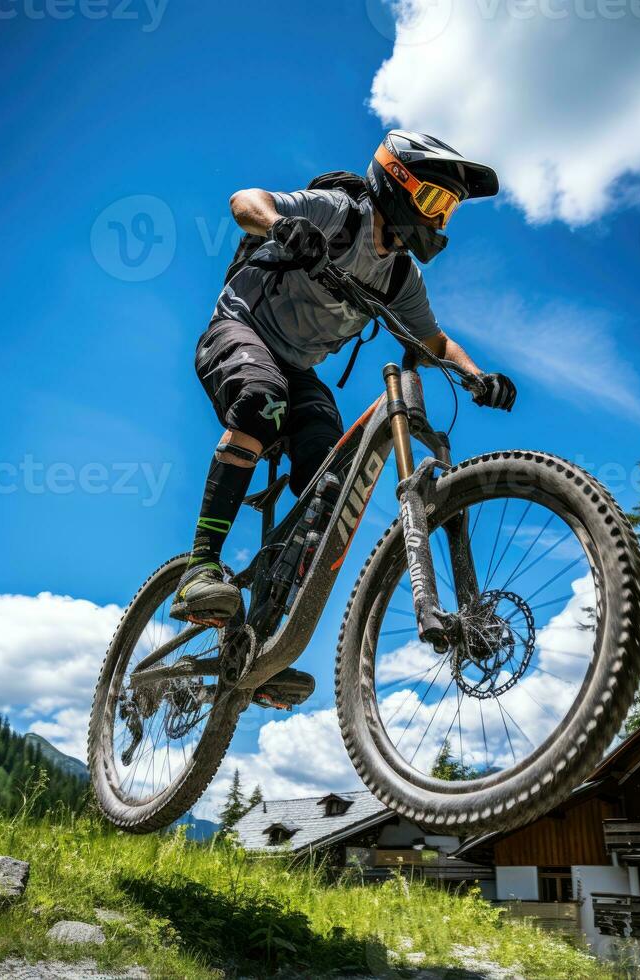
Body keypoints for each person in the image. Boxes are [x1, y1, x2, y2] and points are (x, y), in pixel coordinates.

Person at [170, 130, 517, 638]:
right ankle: (199, 567)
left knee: (333, 476)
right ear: (397, 181)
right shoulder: (339, 213)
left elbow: (434, 341)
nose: (440, 218)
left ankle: (262, 635)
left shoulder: (401, 277)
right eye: (434, 199)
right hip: (238, 330)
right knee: (262, 398)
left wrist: (476, 377)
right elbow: (245, 201)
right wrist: (283, 226)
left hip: (297, 370)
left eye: (449, 210)